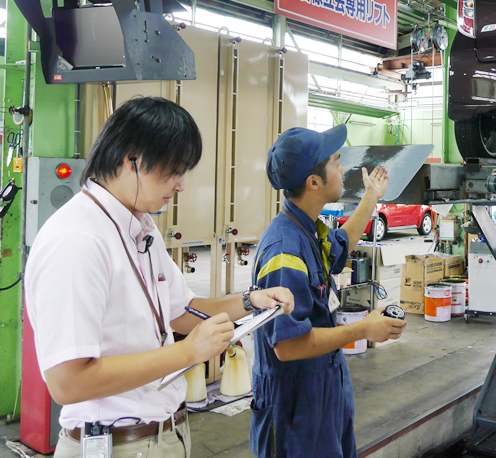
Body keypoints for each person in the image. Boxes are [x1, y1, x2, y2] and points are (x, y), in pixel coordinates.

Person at [25, 96, 294, 458]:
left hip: (163, 436)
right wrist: (186, 351)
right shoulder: (78, 240)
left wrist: (250, 301)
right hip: (117, 445)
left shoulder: (140, 229)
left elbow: (183, 310)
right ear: (132, 159)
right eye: (173, 171)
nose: (180, 185)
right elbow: (68, 382)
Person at [250, 124, 407, 458]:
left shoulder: (307, 229)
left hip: (320, 391)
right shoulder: (285, 252)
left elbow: (341, 246)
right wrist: (364, 328)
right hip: (295, 406)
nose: (343, 169)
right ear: (314, 182)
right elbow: (289, 345)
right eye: (336, 162)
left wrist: (370, 197)